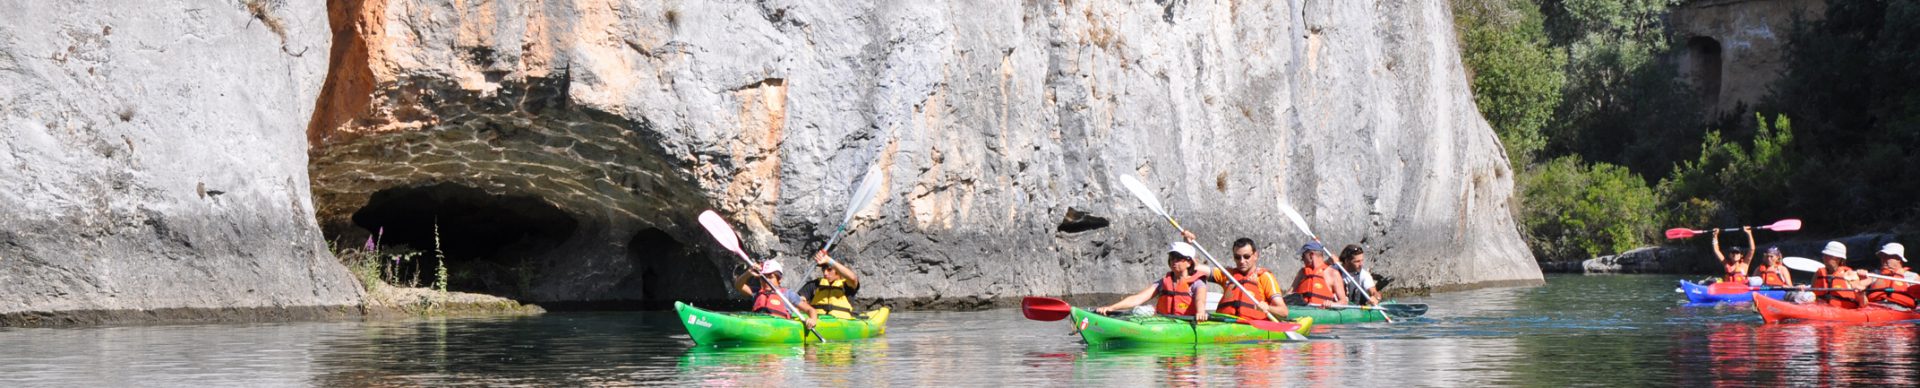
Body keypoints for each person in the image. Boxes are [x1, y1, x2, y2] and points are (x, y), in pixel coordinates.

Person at [1183, 231, 1289, 321]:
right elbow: (1194, 267)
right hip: (1225, 323)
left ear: (1255, 256)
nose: (1242, 261)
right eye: (1237, 257)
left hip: (1252, 326)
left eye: (1246, 256)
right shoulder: (1228, 274)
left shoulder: (1264, 277)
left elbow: (1283, 312)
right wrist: (1187, 245)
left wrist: (1268, 308)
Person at [1092, 241, 1210, 322]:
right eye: (1172, 258)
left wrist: (1200, 312)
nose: (1174, 261)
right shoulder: (1163, 282)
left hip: (1186, 323)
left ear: (1189, 262)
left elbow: (1200, 299)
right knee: (1138, 312)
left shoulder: (1197, 283)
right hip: (1163, 321)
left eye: (1178, 258)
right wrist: (1112, 308)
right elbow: (1138, 298)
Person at [733, 258, 817, 327]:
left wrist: (812, 320)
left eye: (771, 277)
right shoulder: (757, 292)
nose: (766, 281)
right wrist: (748, 273)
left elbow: (810, 309)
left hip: (779, 328)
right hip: (757, 324)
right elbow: (738, 286)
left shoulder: (788, 294)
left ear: (779, 279)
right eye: (763, 277)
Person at [801, 250, 861, 320]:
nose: (825, 273)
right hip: (817, 320)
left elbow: (853, 278)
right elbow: (799, 300)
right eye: (823, 270)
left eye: (829, 270)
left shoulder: (847, 285)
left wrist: (829, 260)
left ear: (838, 270)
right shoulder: (815, 284)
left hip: (842, 322)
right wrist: (802, 301)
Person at [1811, 241, 1869, 309]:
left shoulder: (1850, 275)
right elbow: (1812, 294)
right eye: (1824, 255)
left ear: (1838, 258)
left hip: (1843, 313)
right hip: (1822, 310)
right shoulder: (1819, 273)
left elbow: (1863, 304)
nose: (1824, 258)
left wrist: (1861, 294)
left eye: (1828, 256)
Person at [1289, 242, 1348, 307]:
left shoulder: (1333, 274)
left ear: (1311, 255)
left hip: (1322, 312)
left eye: (1303, 256)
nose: (1302, 259)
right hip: (1302, 311)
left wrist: (1332, 304)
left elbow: (1343, 302)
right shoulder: (1302, 273)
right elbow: (1289, 294)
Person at [1864, 243, 1917, 309]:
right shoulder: (1874, 274)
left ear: (1898, 259)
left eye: (1888, 256)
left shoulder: (1912, 277)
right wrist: (1860, 277)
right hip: (1875, 308)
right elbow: (1860, 285)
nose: (1883, 259)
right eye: (1882, 256)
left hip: (1902, 309)